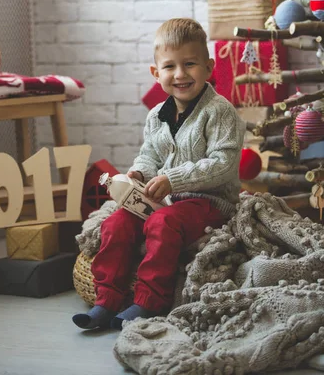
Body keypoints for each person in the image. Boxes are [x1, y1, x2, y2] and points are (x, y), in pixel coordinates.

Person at [73, 17, 245, 331]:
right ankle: (106, 299)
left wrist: (173, 179)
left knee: (162, 222)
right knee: (117, 222)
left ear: (208, 68)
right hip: (165, 200)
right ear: (157, 73)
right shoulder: (157, 115)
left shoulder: (219, 112)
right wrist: (140, 173)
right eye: (170, 66)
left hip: (209, 202)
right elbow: (150, 153)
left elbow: (223, 164)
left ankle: (149, 301)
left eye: (190, 64)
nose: (180, 74)